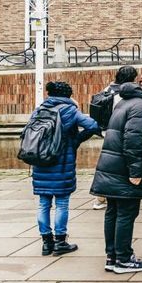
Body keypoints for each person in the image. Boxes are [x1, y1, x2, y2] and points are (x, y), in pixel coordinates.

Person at [90, 73, 142, 274]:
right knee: (126, 213)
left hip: (111, 166)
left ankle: (112, 256)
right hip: (123, 169)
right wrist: (135, 171)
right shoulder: (141, 106)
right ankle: (123, 259)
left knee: (112, 212)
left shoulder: (124, 102)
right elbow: (133, 140)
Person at [32, 81, 100, 257]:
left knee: (43, 203)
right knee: (61, 203)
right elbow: (93, 125)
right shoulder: (70, 110)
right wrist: (76, 139)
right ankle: (60, 242)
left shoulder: (39, 110)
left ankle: (46, 243)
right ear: (69, 95)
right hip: (62, 162)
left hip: (41, 161)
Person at [92, 65, 139, 210]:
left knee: (106, 164)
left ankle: (100, 197)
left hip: (107, 131)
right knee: (119, 163)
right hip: (120, 132)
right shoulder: (124, 94)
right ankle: (104, 196)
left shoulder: (108, 89)